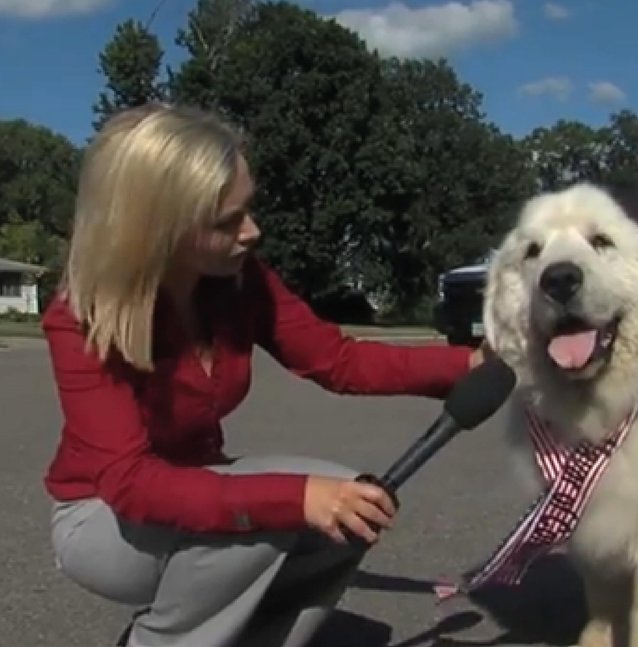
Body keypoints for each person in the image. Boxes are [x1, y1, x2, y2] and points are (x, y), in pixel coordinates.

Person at [41, 102, 487, 647]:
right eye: (226, 222)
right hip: (103, 522)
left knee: (350, 511)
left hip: (194, 490)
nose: (252, 232)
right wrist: (295, 499)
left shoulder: (237, 280)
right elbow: (133, 485)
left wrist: (469, 364)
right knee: (267, 515)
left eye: (248, 209)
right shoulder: (84, 318)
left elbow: (337, 360)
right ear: (156, 228)